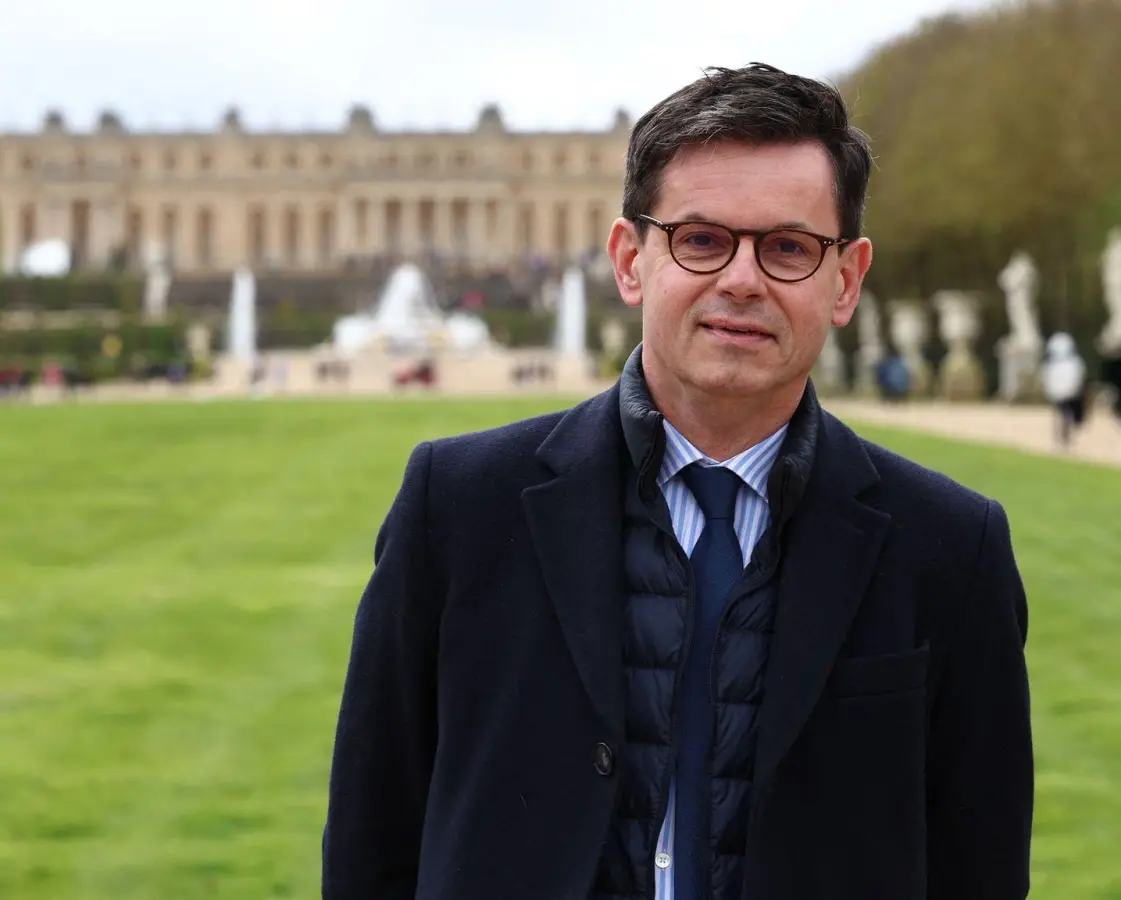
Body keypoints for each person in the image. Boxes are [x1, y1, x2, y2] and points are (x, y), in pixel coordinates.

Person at [321, 62, 1034, 900]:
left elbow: (978, 868)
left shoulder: (950, 549)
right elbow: (374, 840)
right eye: (700, 239)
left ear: (845, 279)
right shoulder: (458, 509)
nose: (741, 279)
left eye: (788, 248)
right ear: (630, 261)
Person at [1041, 331, 1087, 445]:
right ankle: (1065, 434)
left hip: (1063, 393)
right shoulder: (1074, 361)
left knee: (1065, 412)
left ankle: (1064, 434)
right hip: (1069, 392)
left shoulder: (1050, 364)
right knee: (1067, 412)